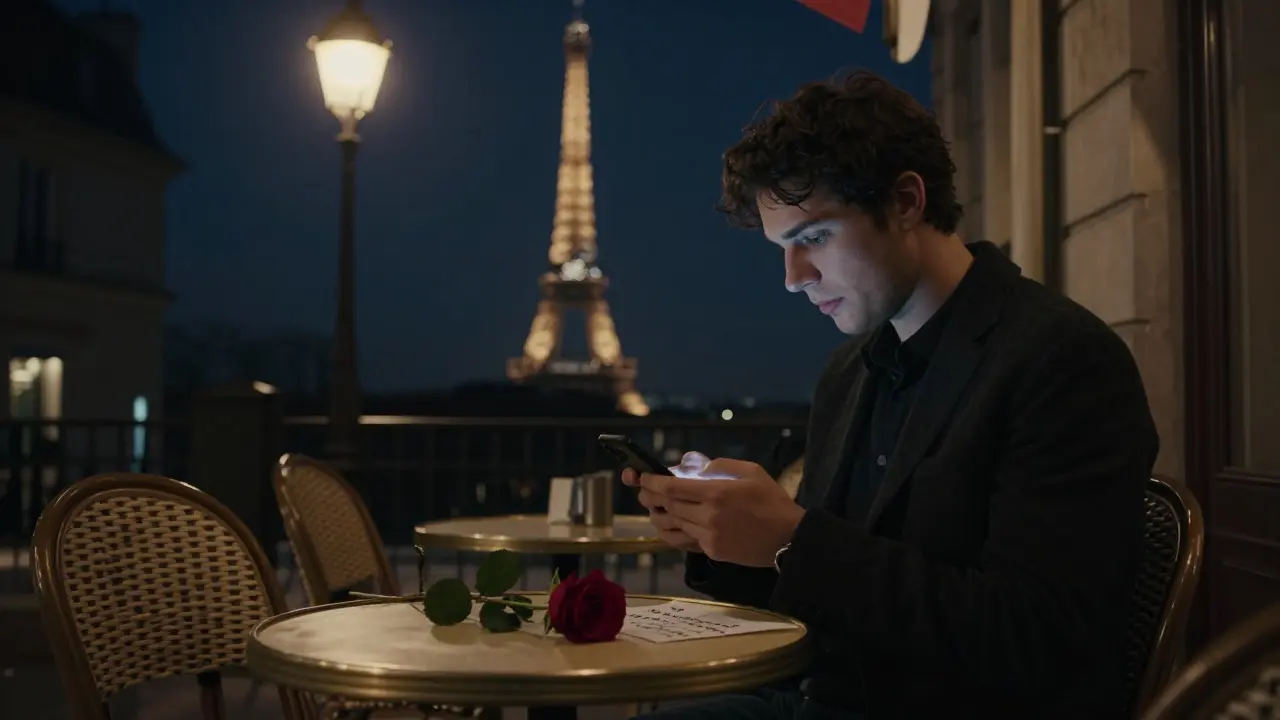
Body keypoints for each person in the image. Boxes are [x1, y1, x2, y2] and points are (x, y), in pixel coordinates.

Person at [624, 71, 1157, 719]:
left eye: (813, 238)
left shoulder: (1062, 360)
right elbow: (822, 599)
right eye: (781, 251)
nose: (793, 280)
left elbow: (1036, 641)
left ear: (906, 202)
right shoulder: (848, 371)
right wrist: (725, 541)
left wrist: (795, 541)